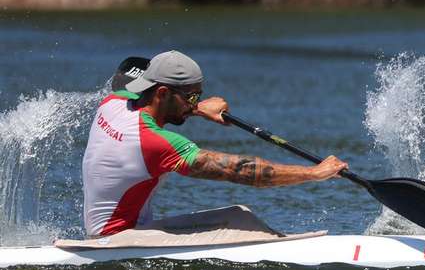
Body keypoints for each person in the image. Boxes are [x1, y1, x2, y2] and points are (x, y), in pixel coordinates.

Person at [82, 50, 347, 237]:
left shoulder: (114, 102)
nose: (196, 102)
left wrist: (194, 109)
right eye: (192, 96)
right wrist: (313, 173)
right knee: (239, 221)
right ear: (162, 93)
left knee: (238, 215)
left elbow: (146, 106)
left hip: (112, 229)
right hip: (118, 239)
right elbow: (239, 170)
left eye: (199, 96)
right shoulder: (157, 144)